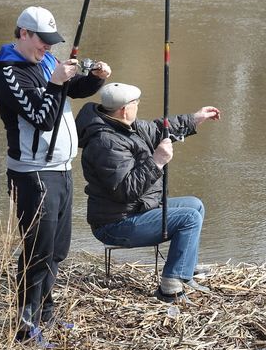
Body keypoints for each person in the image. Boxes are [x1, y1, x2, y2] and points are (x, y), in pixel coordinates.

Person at [0, 5, 111, 344]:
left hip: (61, 170)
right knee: (37, 251)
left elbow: (71, 91)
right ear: (23, 34)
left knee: (57, 250)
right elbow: (40, 116)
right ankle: (25, 329)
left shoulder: (43, 62)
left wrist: (94, 79)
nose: (47, 48)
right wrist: (57, 82)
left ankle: (47, 315)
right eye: (42, 41)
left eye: (50, 42)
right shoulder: (8, 73)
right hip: (33, 174)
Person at [75, 82, 220, 301]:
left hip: (136, 210)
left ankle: (185, 272)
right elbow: (125, 191)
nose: (138, 106)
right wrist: (157, 161)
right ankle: (170, 287)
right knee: (188, 218)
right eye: (136, 103)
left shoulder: (126, 126)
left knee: (195, 205)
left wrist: (194, 119)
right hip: (115, 223)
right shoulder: (105, 143)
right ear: (125, 109)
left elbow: (160, 129)